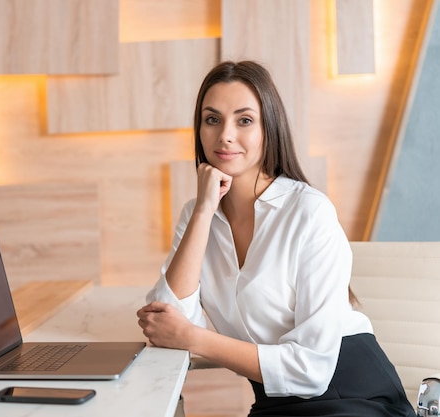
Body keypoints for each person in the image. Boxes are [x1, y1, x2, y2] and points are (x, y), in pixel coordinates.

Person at [136, 60, 415, 416]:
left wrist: (194, 339)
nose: (225, 135)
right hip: (275, 402)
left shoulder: (309, 211)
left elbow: (311, 371)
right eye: (212, 119)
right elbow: (165, 322)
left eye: (244, 120)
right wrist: (204, 212)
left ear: (269, 128)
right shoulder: (196, 216)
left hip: (351, 395)